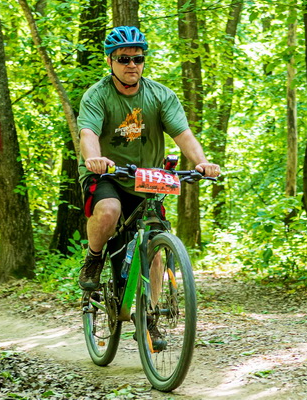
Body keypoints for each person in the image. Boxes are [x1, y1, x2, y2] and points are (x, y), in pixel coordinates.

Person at [77, 25, 220, 289]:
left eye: (138, 58)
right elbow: (88, 133)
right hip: (107, 173)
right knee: (109, 210)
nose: (132, 65)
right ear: (110, 61)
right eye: (124, 59)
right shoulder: (97, 95)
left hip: (146, 178)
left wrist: (201, 162)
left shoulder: (161, 95)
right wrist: (94, 159)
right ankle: (94, 258)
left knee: (153, 245)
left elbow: (183, 134)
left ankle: (154, 311)